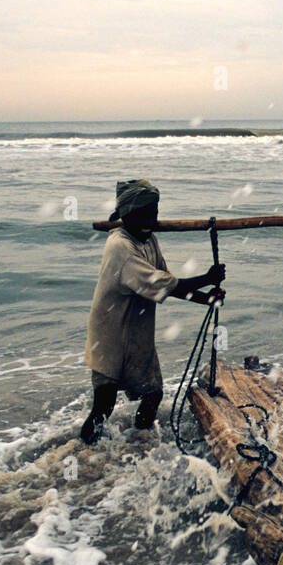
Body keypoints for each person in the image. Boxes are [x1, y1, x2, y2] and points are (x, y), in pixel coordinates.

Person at [81, 179, 225, 445]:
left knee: (152, 393)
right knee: (104, 404)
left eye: (154, 214)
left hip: (136, 331)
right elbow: (161, 283)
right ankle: (84, 451)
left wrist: (206, 299)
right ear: (125, 215)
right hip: (110, 333)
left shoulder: (148, 239)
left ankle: (138, 440)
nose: (150, 220)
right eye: (142, 215)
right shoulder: (120, 247)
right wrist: (207, 277)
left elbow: (167, 283)